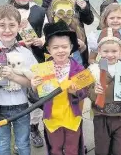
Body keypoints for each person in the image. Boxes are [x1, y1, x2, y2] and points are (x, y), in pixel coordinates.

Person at [0, 5, 38, 155]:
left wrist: (13, 76)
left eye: (12, 25)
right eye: (2, 25)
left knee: (23, 144)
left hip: (22, 105)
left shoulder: (25, 53)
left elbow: (33, 82)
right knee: (2, 145)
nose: (7, 30)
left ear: (19, 26)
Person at [31, 20, 89, 155]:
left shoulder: (79, 68)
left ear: (71, 48)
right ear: (49, 49)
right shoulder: (43, 69)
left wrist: (76, 91)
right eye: (55, 47)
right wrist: (34, 87)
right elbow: (37, 97)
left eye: (64, 47)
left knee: (71, 149)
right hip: (52, 117)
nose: (60, 50)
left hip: (72, 117)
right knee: (55, 148)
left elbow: (85, 92)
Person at [7, 0, 46, 147]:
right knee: (13, 97)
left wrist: (42, 40)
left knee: (36, 96)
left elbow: (49, 33)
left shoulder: (41, 11)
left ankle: (34, 128)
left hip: (37, 61)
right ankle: (17, 132)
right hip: (12, 62)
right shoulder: (5, 12)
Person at [88, 28, 121, 155]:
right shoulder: (94, 69)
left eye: (114, 51)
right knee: (101, 148)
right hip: (101, 115)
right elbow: (86, 91)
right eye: (106, 51)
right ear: (99, 51)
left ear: (120, 51)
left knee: (120, 149)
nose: (110, 54)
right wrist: (94, 91)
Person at [42, 0, 94, 68]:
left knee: (77, 66)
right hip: (56, 38)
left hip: (77, 36)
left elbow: (89, 20)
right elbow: (46, 17)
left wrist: (84, 8)